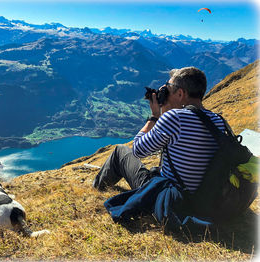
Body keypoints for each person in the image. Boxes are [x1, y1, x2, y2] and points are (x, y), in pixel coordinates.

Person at [93, 67, 225, 193]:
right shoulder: (218, 121)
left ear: (180, 93)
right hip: (205, 197)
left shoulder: (174, 118)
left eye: (168, 89)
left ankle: (95, 190)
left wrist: (155, 116)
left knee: (120, 151)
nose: (165, 93)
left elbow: (137, 150)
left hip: (175, 199)